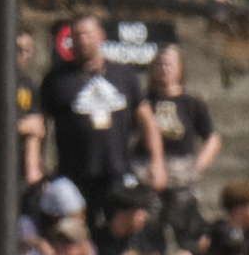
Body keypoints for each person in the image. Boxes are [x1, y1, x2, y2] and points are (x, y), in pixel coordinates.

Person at [40, 14, 166, 225]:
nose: (82, 40)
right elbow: (40, 125)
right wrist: (37, 165)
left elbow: (147, 122)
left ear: (101, 37)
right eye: (77, 35)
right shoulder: (56, 79)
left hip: (117, 172)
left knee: (121, 233)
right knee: (76, 235)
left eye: (88, 35)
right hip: (74, 174)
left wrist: (157, 161)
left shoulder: (124, 76)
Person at [137, 44, 221, 250]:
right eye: (160, 63)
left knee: (189, 237)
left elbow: (213, 138)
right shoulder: (141, 102)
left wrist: (197, 167)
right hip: (148, 173)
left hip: (182, 173)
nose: (164, 68)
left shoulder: (193, 104)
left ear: (180, 69)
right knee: (148, 236)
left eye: (169, 64)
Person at [0, 28, 45, 198]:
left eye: (28, 50)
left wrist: (33, 169)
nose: (24, 55)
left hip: (19, 172)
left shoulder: (28, 84)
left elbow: (37, 128)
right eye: (19, 49)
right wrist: (22, 125)